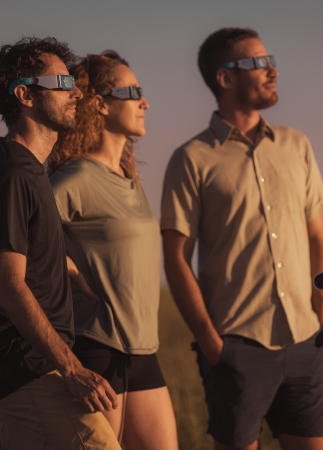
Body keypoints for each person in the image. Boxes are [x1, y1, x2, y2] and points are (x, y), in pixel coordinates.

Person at [161, 28, 323, 450]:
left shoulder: (297, 145)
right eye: (258, 63)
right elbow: (175, 258)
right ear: (225, 78)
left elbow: (316, 237)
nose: (273, 70)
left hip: (305, 337)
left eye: (269, 59)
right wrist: (211, 342)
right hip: (235, 347)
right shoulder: (191, 159)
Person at [48, 51, 178, 450]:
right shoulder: (77, 176)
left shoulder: (130, 180)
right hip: (96, 348)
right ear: (101, 103)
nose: (145, 102)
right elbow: (21, 236)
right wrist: (66, 268)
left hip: (143, 351)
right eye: (133, 91)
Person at [0, 37, 121, 450]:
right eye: (62, 82)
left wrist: (76, 275)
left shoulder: (30, 171)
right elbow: (9, 283)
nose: (78, 91)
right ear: (24, 94)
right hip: (33, 372)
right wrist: (71, 369)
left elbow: (26, 254)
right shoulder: (14, 171)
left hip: (32, 373)